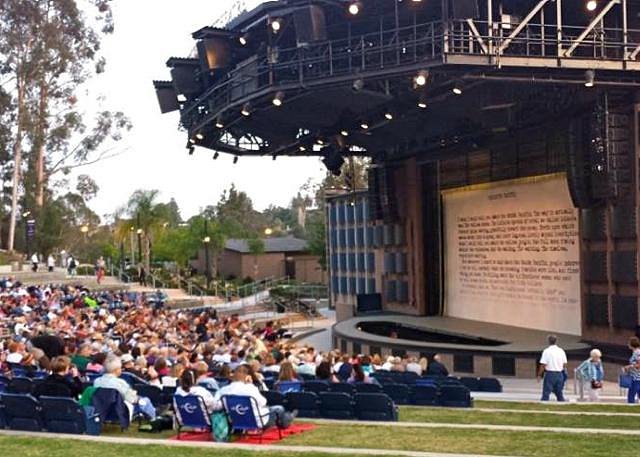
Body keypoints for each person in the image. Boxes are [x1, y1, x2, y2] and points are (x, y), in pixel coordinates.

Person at [213, 365, 295, 429]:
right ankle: (289, 418)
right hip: (256, 421)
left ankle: (288, 417)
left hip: (234, 420)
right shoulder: (250, 388)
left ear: (233, 375)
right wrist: (250, 384)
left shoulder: (223, 390)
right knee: (279, 408)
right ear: (246, 376)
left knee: (275, 410)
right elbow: (263, 402)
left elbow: (216, 405)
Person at [538, 335, 567, 402]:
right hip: (559, 373)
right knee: (559, 392)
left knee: (546, 392)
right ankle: (562, 403)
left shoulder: (546, 351)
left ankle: (544, 404)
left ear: (548, 341)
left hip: (550, 373)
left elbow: (543, 364)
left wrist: (539, 374)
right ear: (556, 341)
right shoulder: (561, 351)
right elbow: (565, 363)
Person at [624, 337, 640, 404]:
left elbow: (639, 364)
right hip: (635, 376)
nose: (628, 344)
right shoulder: (635, 352)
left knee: (631, 394)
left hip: (636, 377)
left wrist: (629, 367)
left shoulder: (637, 352)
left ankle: (631, 406)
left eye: (629, 343)